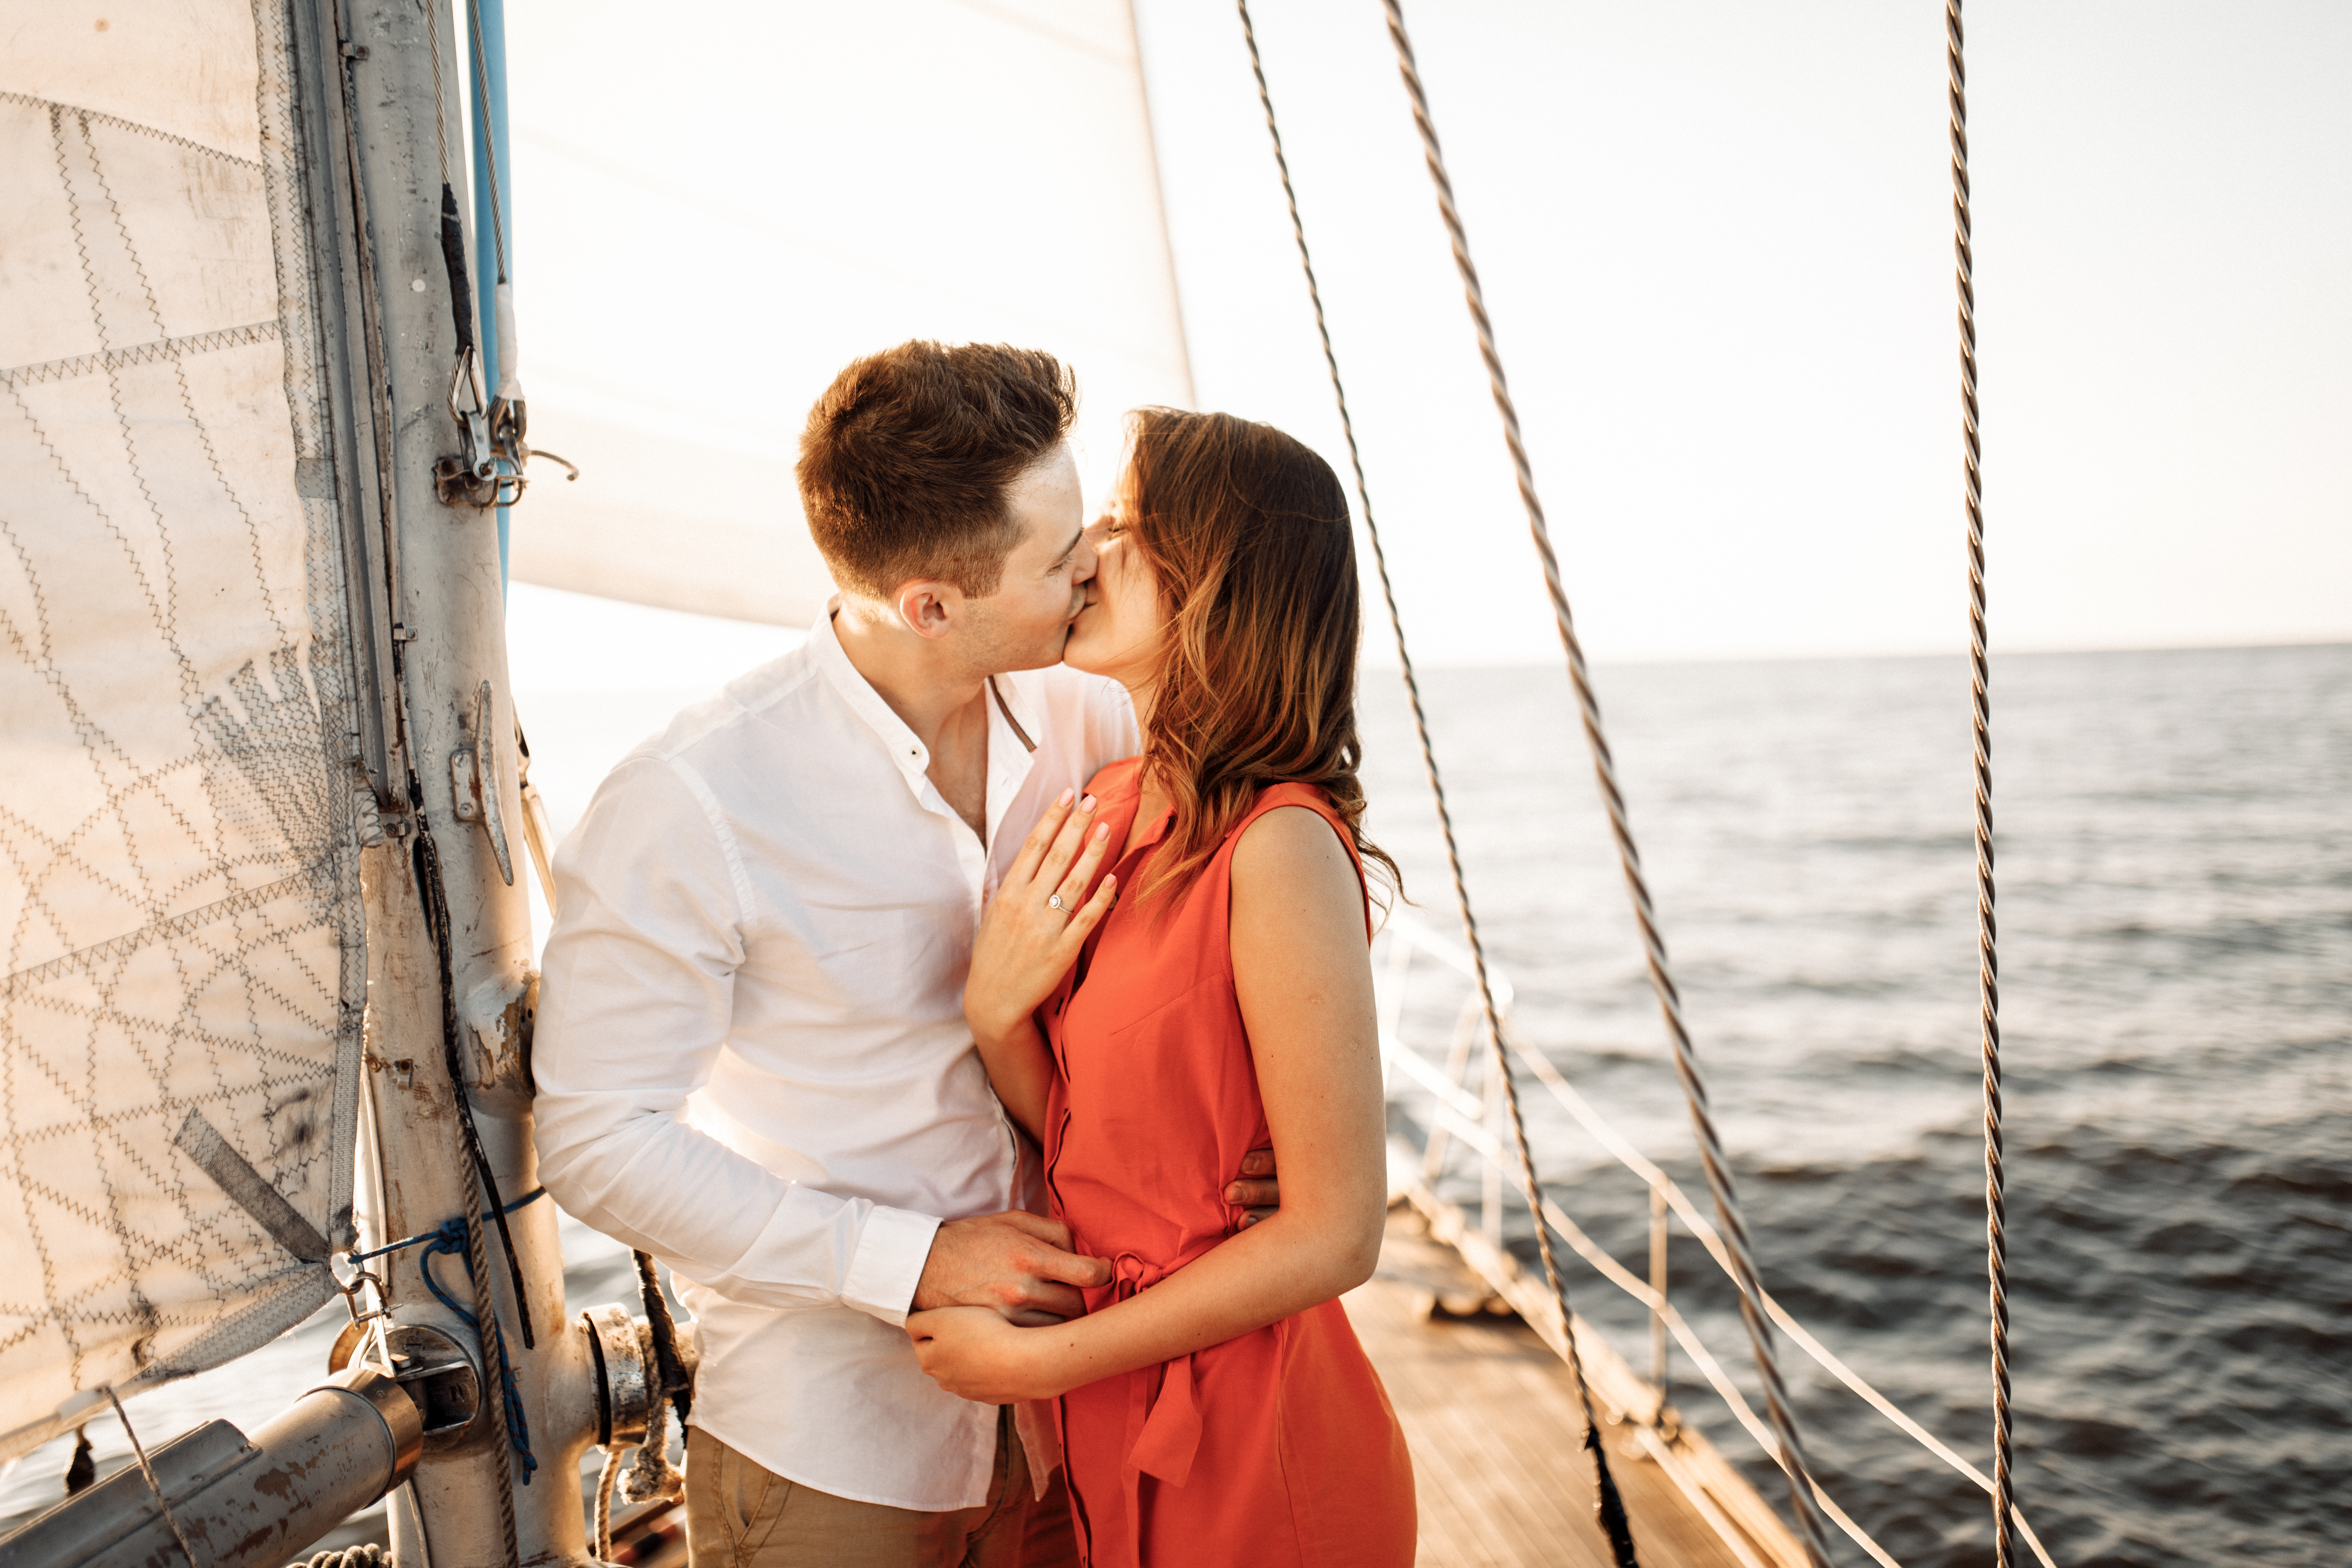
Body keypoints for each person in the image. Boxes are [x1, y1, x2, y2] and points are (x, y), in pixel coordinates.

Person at [532, 344, 1279, 1568]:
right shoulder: (695, 799)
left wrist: (1267, 1142)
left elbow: (1234, 944)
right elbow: (599, 1139)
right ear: (931, 602)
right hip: (839, 1445)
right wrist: (914, 1261)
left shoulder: (1100, 712)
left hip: (1086, 1409)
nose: (1093, 564)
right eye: (1056, 561)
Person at [906, 409, 1418, 1567]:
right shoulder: (1112, 807)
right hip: (1111, 1419)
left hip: (1257, 1436)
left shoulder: (1279, 845)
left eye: (1131, 525)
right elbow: (1107, 1142)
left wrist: (1036, 1363)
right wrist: (996, 1013)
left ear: (1219, 579)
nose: (1087, 548)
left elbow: (1339, 1235)